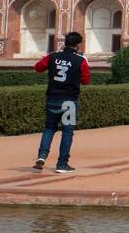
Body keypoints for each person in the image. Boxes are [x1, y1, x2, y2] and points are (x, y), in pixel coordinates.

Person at [33, 30, 89, 173]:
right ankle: (62, 164)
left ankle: (42, 156)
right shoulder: (81, 60)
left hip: (52, 98)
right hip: (69, 101)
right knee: (67, 132)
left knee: (49, 128)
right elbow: (86, 80)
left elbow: (38, 68)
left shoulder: (52, 57)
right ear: (77, 46)